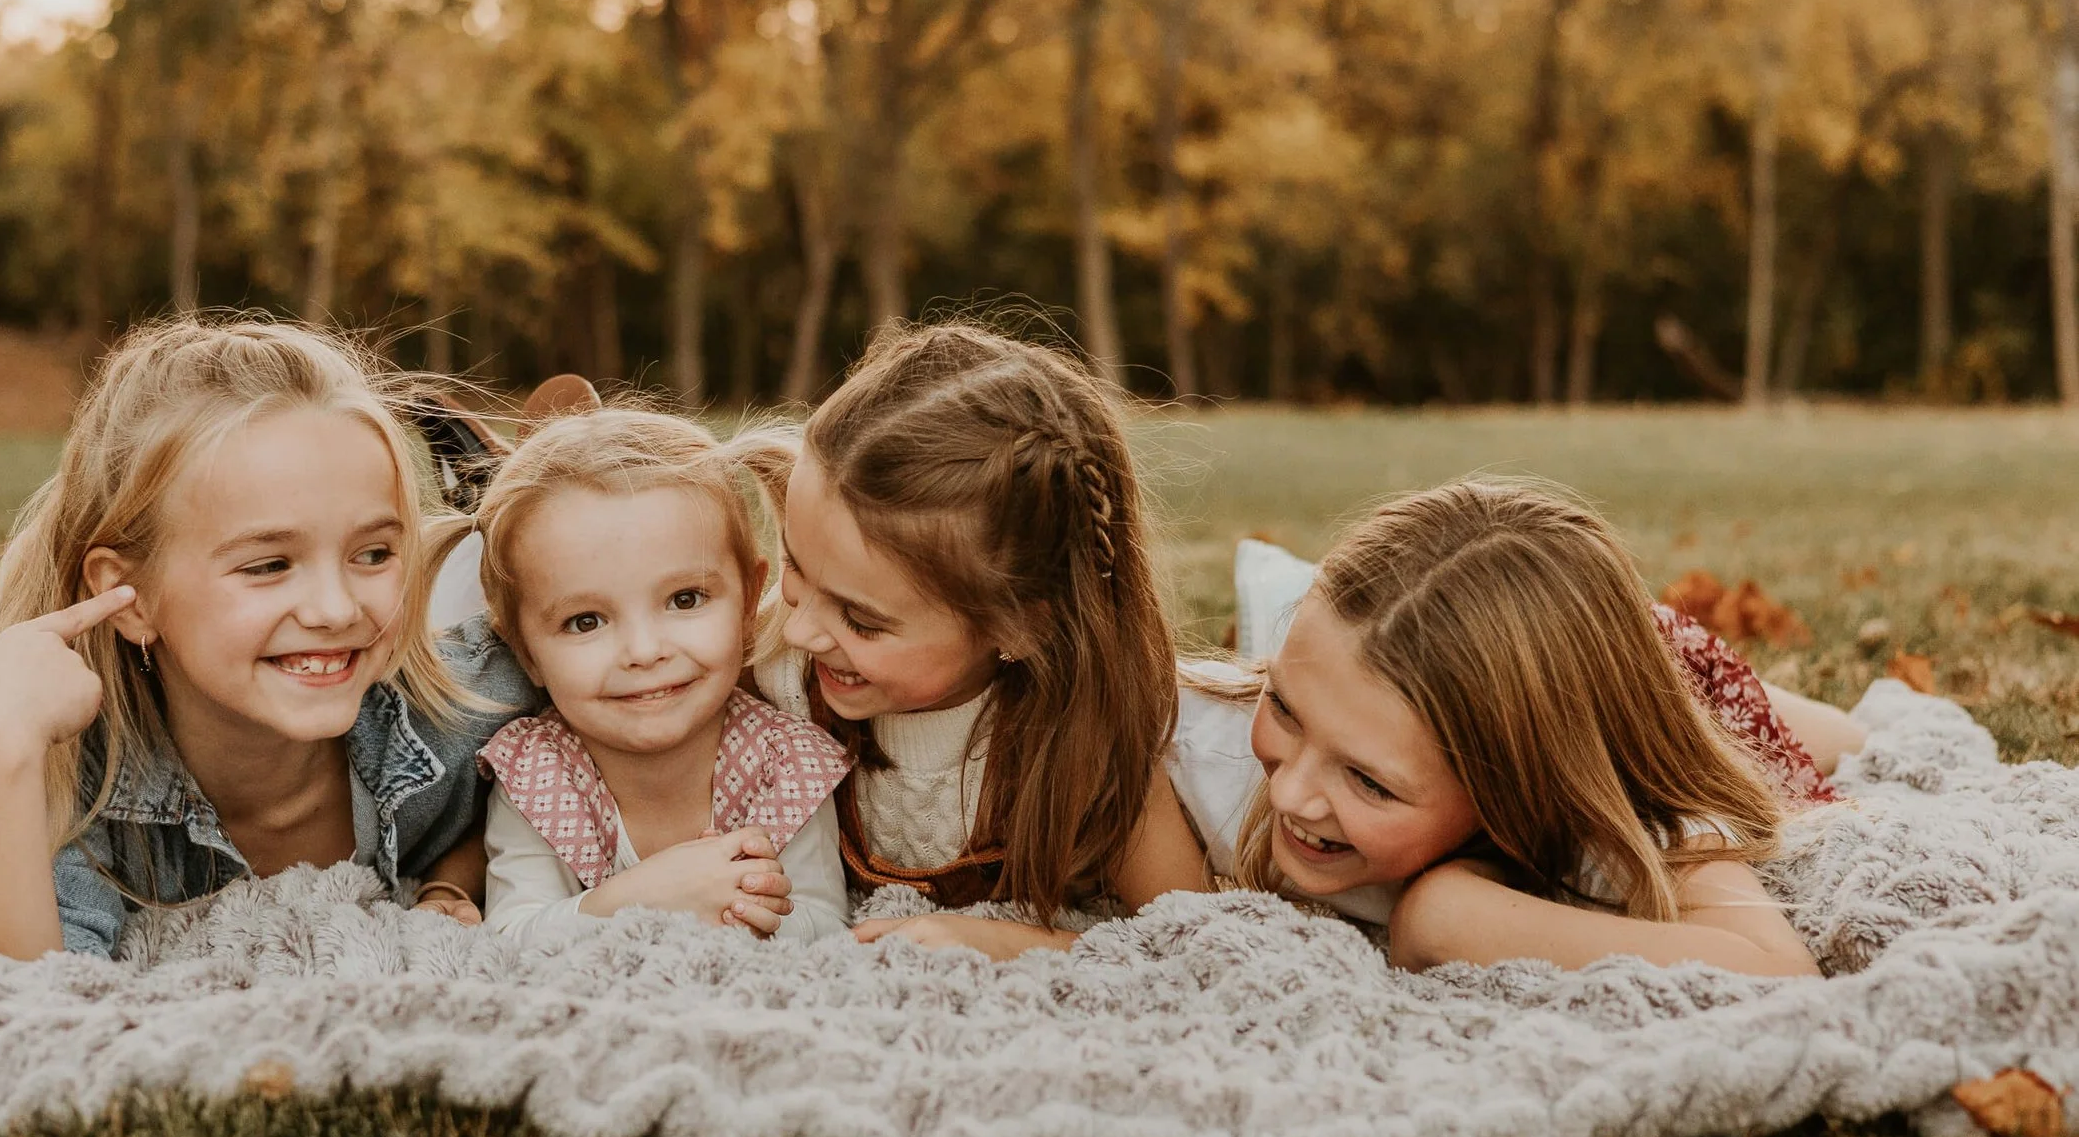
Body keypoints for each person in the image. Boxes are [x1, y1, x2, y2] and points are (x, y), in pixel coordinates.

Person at [0, 315, 532, 959]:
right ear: (130, 596)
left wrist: (452, 875)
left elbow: (582, 723)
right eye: (269, 564)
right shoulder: (75, 780)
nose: (337, 607)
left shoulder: (467, 704)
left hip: (202, 662)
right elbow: (7, 1009)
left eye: (373, 553)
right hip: (92, 702)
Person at [749, 322, 1225, 960]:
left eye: (861, 621)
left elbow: (1199, 941)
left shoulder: (1088, 743)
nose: (802, 629)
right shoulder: (769, 668)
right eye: (796, 568)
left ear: (1020, 625)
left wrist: (1015, 943)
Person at [1231, 479, 1826, 977]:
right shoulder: (1317, 681)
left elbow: (1782, 972)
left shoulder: (1613, 814)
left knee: (1819, 741)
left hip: (1662, 676)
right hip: (1476, 631)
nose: (1287, 794)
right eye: (1284, 708)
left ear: (1514, 786)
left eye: (1368, 782)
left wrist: (1440, 916)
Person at [473, 409, 851, 943]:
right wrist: (647, 897)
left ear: (747, 602)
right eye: (586, 621)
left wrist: (721, 905)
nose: (645, 651)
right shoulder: (538, 772)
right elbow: (512, 938)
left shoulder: (783, 762)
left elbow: (827, 931)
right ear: (526, 652)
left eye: (684, 599)